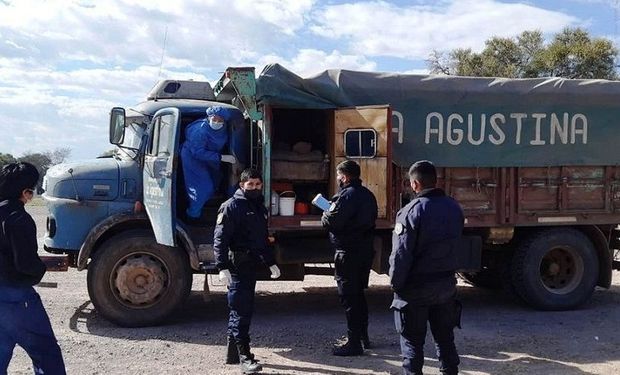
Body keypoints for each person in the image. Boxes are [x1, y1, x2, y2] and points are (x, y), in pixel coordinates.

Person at [389, 160, 464, 375]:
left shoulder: (410, 212)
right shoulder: (454, 207)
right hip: (446, 286)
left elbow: (401, 255)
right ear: (436, 180)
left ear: (414, 184)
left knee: (412, 345)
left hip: (415, 290)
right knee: (445, 340)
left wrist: (396, 284)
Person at [0, 162, 66, 375]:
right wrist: (40, 269)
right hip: (17, 299)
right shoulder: (19, 218)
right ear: (25, 191)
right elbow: (26, 264)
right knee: (46, 353)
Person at [213, 168, 281, 374]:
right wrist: (222, 266)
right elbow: (220, 239)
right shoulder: (231, 207)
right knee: (240, 310)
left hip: (251, 264)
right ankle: (245, 357)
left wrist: (270, 262)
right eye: (250, 184)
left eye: (257, 184)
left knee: (242, 308)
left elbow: (261, 239)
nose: (254, 188)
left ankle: (232, 354)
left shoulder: (259, 206)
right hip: (237, 265)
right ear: (241, 185)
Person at [321, 160, 377, 356]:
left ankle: (354, 343)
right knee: (359, 294)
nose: (337, 180)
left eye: (338, 176)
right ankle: (363, 336)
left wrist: (325, 213)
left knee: (349, 297)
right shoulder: (368, 195)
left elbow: (332, 221)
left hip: (348, 253)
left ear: (344, 177)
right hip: (364, 251)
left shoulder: (345, 196)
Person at [181, 105, 237, 221]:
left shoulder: (223, 128)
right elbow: (197, 152)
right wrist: (221, 157)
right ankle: (192, 215)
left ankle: (203, 206)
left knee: (215, 180)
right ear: (209, 117)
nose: (216, 122)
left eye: (220, 120)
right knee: (203, 188)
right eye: (214, 119)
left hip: (211, 156)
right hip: (193, 158)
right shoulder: (199, 130)